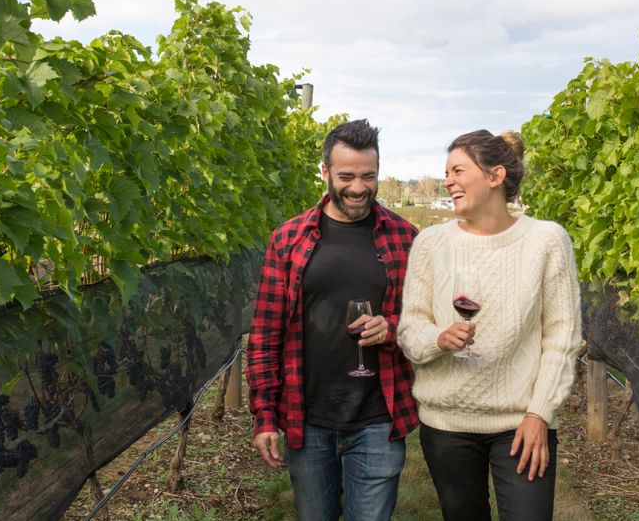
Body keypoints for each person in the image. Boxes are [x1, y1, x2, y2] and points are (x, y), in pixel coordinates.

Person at [397, 129, 581, 521]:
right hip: (446, 424)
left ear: (495, 176)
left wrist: (540, 414)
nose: (447, 181)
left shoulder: (547, 241)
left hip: (521, 423)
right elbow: (411, 330)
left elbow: (562, 337)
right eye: (446, 171)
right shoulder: (431, 243)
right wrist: (439, 338)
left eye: (458, 170)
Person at [246, 119, 419, 521]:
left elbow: (424, 320)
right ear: (325, 173)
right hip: (308, 418)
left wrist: (390, 327)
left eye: (368, 176)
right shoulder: (288, 239)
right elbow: (266, 335)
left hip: (379, 417)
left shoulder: (406, 238)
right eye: (346, 176)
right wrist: (265, 416)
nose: (358, 187)